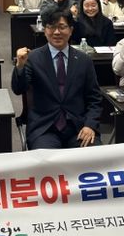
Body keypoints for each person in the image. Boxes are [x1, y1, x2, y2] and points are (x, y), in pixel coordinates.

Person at [11, 9, 103, 149]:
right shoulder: (33, 58)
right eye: (51, 27)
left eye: (62, 27)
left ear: (71, 30)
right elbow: (18, 89)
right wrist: (20, 66)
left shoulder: (84, 60)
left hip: (78, 127)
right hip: (44, 128)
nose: (57, 32)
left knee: (93, 155)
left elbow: (94, 99)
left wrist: (90, 125)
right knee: (46, 158)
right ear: (44, 30)